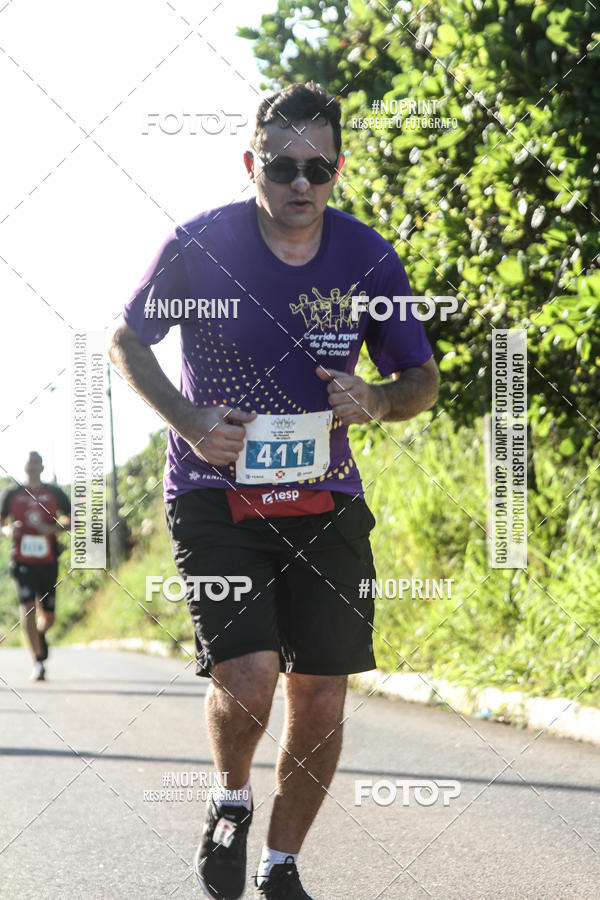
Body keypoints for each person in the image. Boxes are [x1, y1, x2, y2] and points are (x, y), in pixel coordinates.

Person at [109, 82, 439, 900]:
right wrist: (188, 419)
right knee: (250, 675)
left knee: (321, 693)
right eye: (284, 166)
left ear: (336, 170)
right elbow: (127, 338)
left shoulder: (367, 256)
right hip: (216, 495)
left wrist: (381, 399)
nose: (302, 182)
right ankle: (229, 799)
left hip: (326, 499)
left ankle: (281, 862)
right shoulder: (202, 245)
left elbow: (421, 377)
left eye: (319, 167)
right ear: (253, 164)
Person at [1, 451, 71, 681]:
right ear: (24, 467)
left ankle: (40, 635)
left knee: (49, 616)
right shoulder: (11, 494)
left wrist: (52, 529)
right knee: (28, 609)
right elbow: (1, 524)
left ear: (42, 467)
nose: (32, 467)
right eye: (28, 463)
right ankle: (38, 662)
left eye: (36, 463)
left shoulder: (54, 493)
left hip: (48, 561)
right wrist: (9, 530)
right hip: (21, 561)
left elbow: (73, 519)